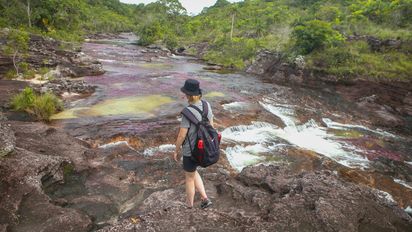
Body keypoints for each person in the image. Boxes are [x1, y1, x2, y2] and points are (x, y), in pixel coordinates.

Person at [173, 79, 213, 209]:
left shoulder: (187, 112)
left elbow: (182, 135)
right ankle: (205, 198)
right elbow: (211, 127)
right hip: (203, 149)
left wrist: (176, 149)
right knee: (193, 172)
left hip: (190, 151)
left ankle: (189, 207)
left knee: (189, 178)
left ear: (189, 95)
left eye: (185, 93)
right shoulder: (207, 106)